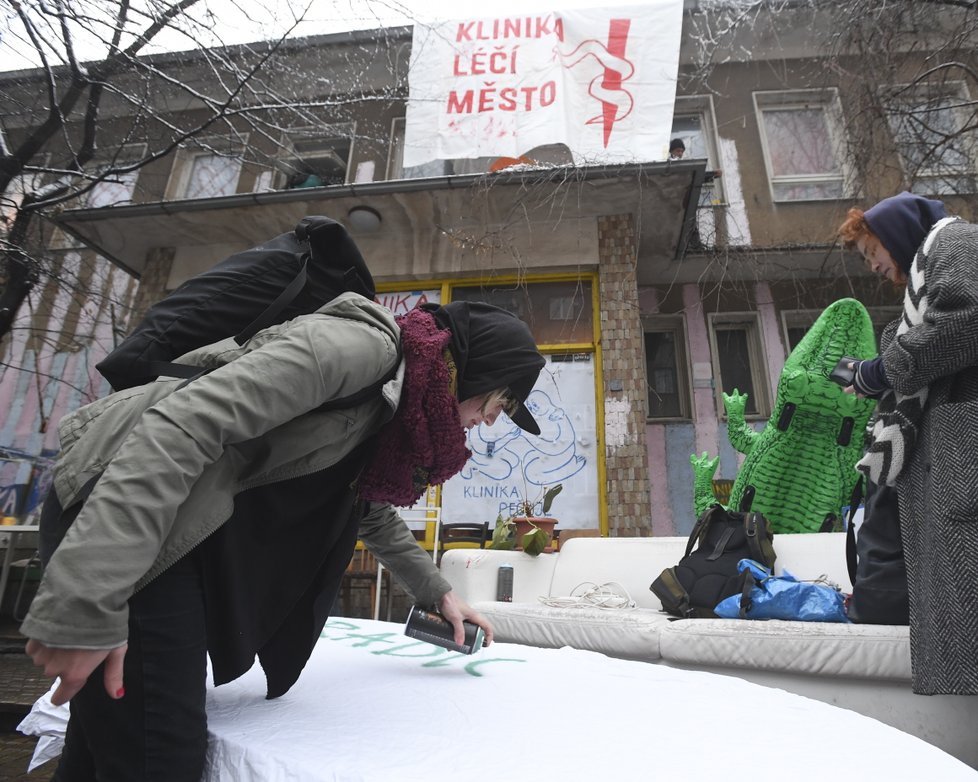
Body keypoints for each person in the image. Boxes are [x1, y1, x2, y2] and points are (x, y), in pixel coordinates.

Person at [22, 291, 546, 780]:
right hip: (122, 508)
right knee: (162, 752)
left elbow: (364, 506)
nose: (481, 423)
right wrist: (86, 602)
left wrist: (440, 594)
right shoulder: (356, 349)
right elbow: (181, 428)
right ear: (474, 374)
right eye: (492, 408)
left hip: (170, 524)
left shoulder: (392, 407)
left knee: (106, 743)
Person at [838, 191, 978, 695]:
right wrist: (877, 376)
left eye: (872, 250)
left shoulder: (955, 242)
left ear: (895, 233)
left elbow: (966, 319)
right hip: (950, 452)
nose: (873, 264)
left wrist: (881, 370)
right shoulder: (924, 273)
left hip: (963, 447)